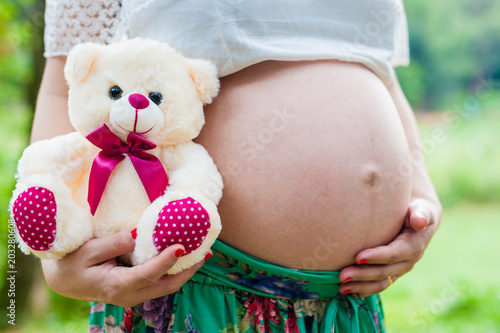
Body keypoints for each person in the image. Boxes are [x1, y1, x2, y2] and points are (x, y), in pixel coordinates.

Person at [34, 0, 442, 332]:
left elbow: (381, 71)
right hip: (196, 287)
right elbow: (66, 85)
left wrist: (421, 194)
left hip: (350, 303)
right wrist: (55, 262)